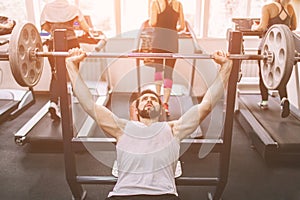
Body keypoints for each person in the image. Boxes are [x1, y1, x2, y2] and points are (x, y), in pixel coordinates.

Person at [65, 47, 233, 200]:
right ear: (136, 109)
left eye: (154, 99)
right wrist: (71, 66)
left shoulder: (174, 129)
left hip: (164, 195)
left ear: (161, 109)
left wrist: (226, 68)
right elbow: (89, 104)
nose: (149, 101)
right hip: (123, 194)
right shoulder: (122, 128)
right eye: (144, 99)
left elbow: (206, 105)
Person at [40, 0, 92, 121]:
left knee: (56, 73)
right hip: (71, 42)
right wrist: (87, 31)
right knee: (74, 71)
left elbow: (44, 29)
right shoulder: (73, 9)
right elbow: (85, 27)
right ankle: (76, 95)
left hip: (54, 43)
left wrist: (54, 28)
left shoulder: (47, 8)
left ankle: (53, 102)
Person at [251, 0, 297, 118]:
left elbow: (261, 28)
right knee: (282, 74)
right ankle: (284, 99)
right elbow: (293, 27)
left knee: (263, 73)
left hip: (267, 46)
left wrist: (254, 27)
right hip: (284, 48)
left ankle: (264, 101)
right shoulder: (290, 8)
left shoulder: (267, 7)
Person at [149, 0, 185, 116]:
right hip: (172, 41)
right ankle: (165, 104)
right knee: (169, 72)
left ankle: (158, 101)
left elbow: (153, 22)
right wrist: (173, 28)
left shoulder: (156, 3)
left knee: (158, 70)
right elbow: (182, 26)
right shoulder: (178, 4)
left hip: (158, 40)